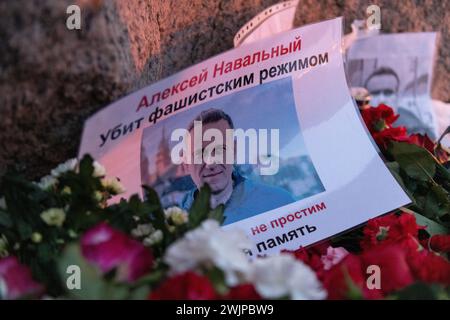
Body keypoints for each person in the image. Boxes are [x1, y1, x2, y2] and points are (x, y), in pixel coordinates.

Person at [180, 108, 295, 225]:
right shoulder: (171, 227)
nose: (211, 163)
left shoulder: (278, 203)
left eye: (220, 149)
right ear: (186, 164)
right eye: (199, 154)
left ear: (234, 150)